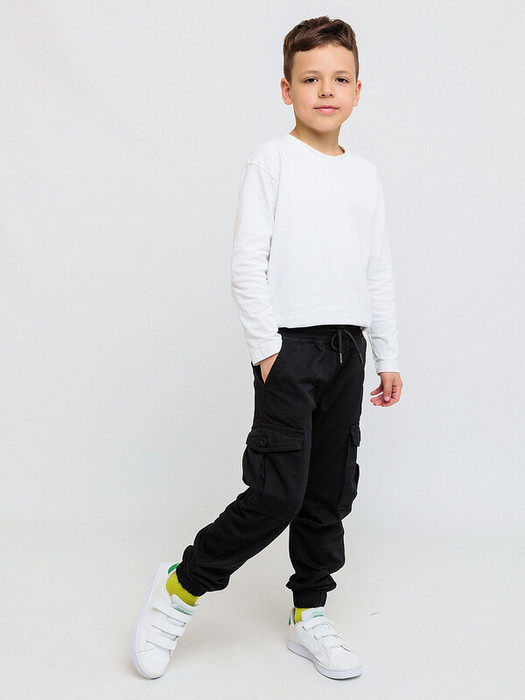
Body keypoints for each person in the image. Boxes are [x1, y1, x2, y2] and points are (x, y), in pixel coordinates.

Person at [131, 15, 403, 682]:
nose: (325, 90)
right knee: (276, 493)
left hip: (348, 350)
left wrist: (386, 354)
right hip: (290, 351)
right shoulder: (271, 161)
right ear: (286, 90)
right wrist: (266, 350)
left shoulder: (364, 175)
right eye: (310, 79)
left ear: (358, 90)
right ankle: (180, 587)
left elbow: (377, 270)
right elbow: (246, 264)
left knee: (329, 491)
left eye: (339, 78)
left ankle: (309, 613)